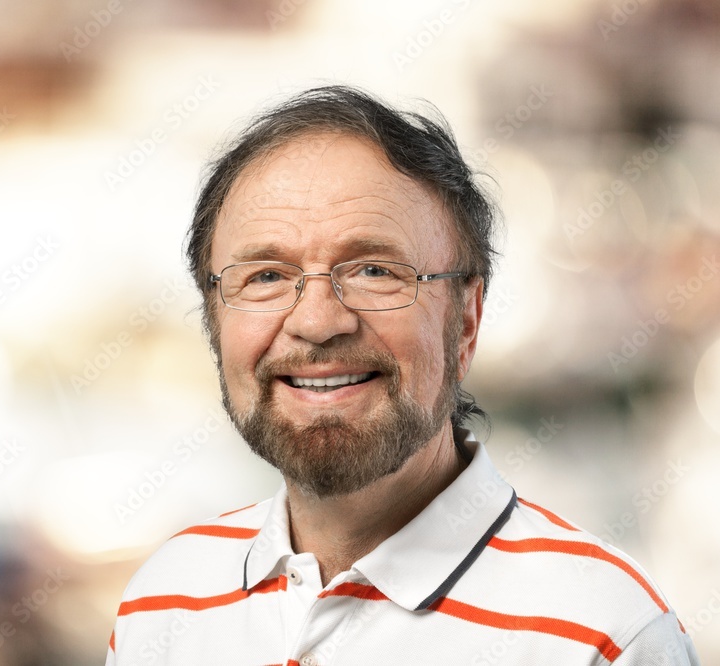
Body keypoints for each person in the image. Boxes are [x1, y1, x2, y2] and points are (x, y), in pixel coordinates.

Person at [106, 86, 699, 665]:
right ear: (213, 315)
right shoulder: (162, 605)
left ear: (465, 320)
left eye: (373, 270)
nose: (316, 321)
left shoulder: (604, 635)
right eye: (265, 276)